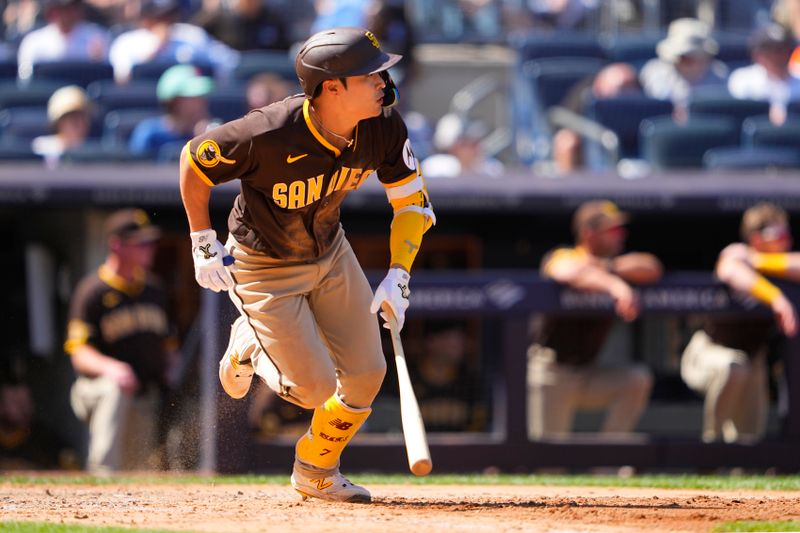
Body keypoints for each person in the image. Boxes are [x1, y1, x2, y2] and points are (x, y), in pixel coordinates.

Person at [178, 27, 435, 502]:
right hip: (263, 264)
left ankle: (316, 468)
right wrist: (201, 239)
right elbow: (194, 161)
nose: (384, 80)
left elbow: (412, 204)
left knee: (365, 375)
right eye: (370, 74)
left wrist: (400, 273)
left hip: (331, 251)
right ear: (331, 87)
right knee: (314, 388)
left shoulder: (383, 124)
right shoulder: (269, 131)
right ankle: (249, 345)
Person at [528, 200, 660, 439]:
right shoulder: (563, 256)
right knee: (549, 464)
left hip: (588, 371)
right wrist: (616, 286)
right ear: (589, 234)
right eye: (613, 230)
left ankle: (609, 461)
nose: (621, 235)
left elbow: (651, 266)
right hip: (551, 371)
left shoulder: (611, 264)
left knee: (636, 379)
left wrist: (608, 268)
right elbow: (569, 271)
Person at [64, 208, 180, 473]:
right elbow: (79, 353)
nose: (149, 248)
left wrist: (171, 369)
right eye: (140, 243)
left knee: (137, 472)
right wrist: (112, 368)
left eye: (150, 242)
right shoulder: (92, 291)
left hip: (143, 396)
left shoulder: (154, 290)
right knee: (115, 388)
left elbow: (169, 344)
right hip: (95, 391)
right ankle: (101, 473)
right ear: (116, 245)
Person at [681, 202, 800, 444]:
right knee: (734, 366)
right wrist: (776, 299)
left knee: (749, 441)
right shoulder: (736, 254)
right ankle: (711, 449)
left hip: (753, 360)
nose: (786, 239)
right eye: (778, 234)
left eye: (787, 233)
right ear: (756, 239)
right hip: (708, 351)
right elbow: (729, 268)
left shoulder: (769, 263)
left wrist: (758, 261)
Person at [108, 0, 239, 84]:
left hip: (188, 102)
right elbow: (123, 80)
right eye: (159, 17)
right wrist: (157, 47)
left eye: (170, 15)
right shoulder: (126, 42)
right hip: (145, 104)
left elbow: (227, 61)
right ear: (144, 18)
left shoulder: (191, 35)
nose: (166, 21)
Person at [640, 18, 728, 114]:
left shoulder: (720, 75)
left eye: (689, 57)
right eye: (682, 57)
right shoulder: (654, 73)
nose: (682, 62)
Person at [129, 64, 215, 160]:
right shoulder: (149, 134)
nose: (201, 103)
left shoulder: (207, 135)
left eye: (202, 96)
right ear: (173, 101)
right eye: (192, 98)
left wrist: (207, 141)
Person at [16, 0, 110, 82]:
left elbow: (105, 79)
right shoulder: (34, 42)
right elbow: (25, 80)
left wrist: (98, 60)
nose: (65, 13)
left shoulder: (97, 37)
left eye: (71, 8)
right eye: (60, 8)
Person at [728, 23, 800, 125]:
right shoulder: (742, 79)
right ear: (757, 54)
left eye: (782, 49)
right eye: (770, 50)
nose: (777, 56)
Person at [421, 112, 504, 178]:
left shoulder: (491, 169)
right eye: (471, 144)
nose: (477, 148)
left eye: (477, 142)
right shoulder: (435, 168)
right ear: (455, 146)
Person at [31, 84, 92, 167]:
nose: (76, 122)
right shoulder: (41, 148)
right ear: (58, 122)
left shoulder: (94, 151)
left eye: (80, 116)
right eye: (69, 116)